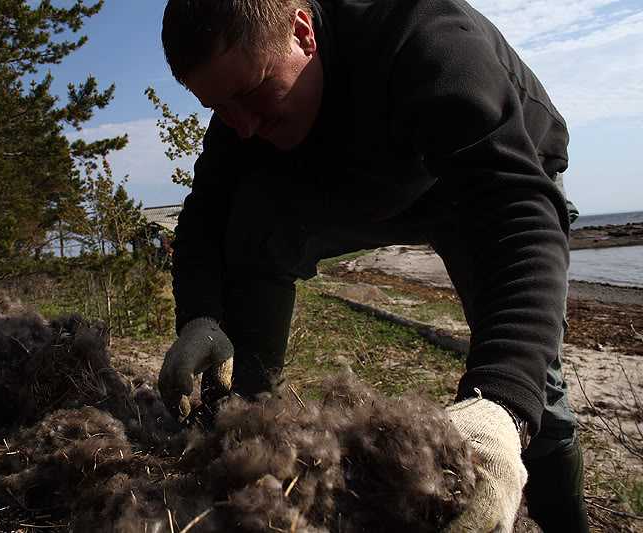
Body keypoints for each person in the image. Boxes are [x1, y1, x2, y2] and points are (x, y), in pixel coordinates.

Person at [155, 0, 588, 531]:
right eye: (220, 108)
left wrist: (503, 407)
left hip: (490, 172)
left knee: (537, 389)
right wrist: (201, 317)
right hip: (371, 175)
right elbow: (204, 218)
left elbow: (518, 218)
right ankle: (244, 424)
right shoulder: (245, 113)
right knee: (253, 219)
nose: (242, 127)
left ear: (302, 32)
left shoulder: (425, 38)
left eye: (250, 95)